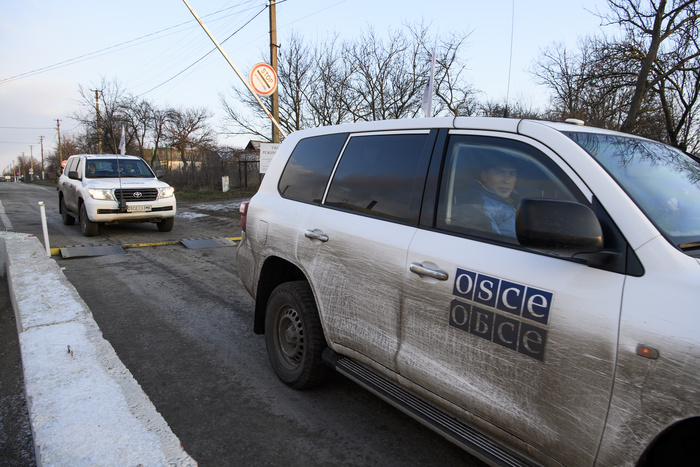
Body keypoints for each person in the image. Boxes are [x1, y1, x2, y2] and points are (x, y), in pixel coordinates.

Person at [453, 155, 521, 238]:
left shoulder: (516, 199)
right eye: (500, 173)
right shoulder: (481, 206)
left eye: (512, 174)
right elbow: (495, 244)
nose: (507, 180)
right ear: (484, 176)